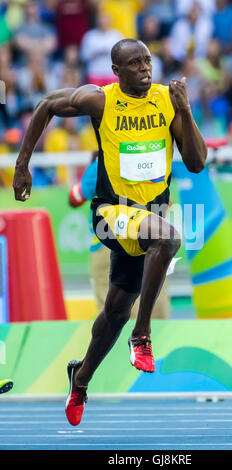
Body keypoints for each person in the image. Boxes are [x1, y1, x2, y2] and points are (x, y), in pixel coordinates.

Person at [12, 38, 207, 426]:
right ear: (116, 71)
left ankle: (81, 378)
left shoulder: (169, 99)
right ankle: (143, 334)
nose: (145, 68)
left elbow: (197, 163)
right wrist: (22, 165)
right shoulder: (100, 100)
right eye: (134, 64)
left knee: (115, 310)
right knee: (168, 238)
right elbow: (46, 104)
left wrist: (185, 110)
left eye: (148, 61)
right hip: (111, 212)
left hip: (150, 213)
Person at [69, 151, 171, 318]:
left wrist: (94, 163)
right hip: (151, 235)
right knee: (155, 294)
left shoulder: (101, 165)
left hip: (110, 239)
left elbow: (74, 198)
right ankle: (152, 338)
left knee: (111, 300)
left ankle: (121, 340)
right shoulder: (154, 160)